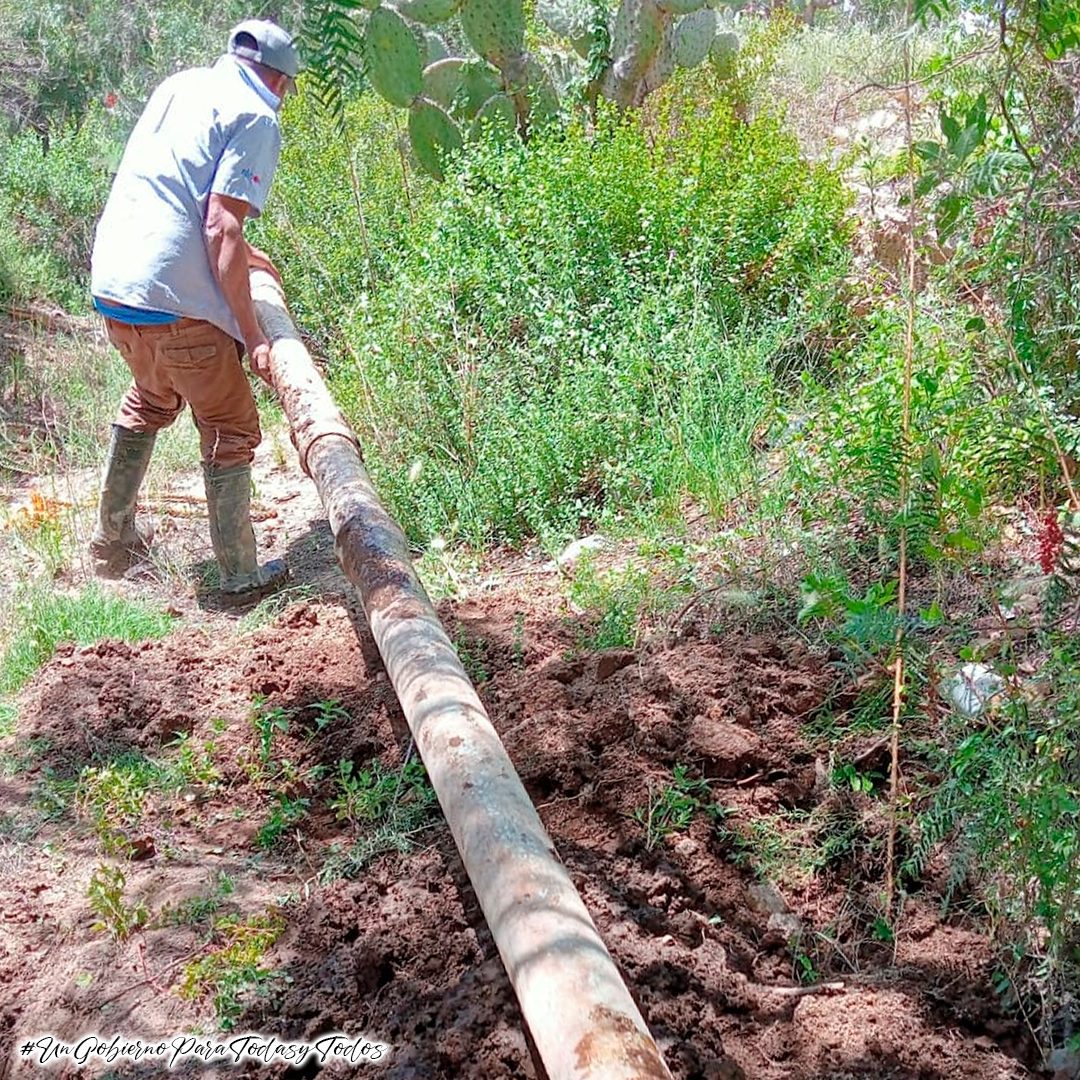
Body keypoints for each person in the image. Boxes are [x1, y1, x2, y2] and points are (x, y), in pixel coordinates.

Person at [88, 19, 299, 601]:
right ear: (281, 82)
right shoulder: (258, 114)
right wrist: (254, 335)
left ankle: (111, 542)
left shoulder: (181, 85)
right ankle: (238, 575)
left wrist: (245, 253)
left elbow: (174, 191)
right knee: (231, 427)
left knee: (151, 397)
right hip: (172, 300)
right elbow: (220, 225)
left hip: (115, 286)